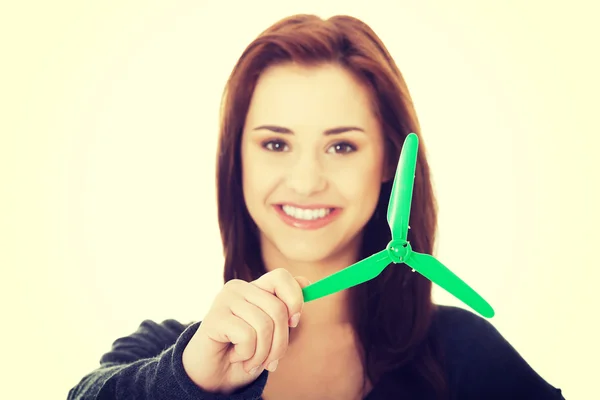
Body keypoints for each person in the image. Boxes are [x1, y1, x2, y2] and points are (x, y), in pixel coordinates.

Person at [67, 14, 565, 400]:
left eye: (342, 146)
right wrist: (192, 378)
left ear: (390, 161)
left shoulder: (461, 355)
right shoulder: (169, 354)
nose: (306, 181)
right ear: (236, 160)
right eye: (276, 145)